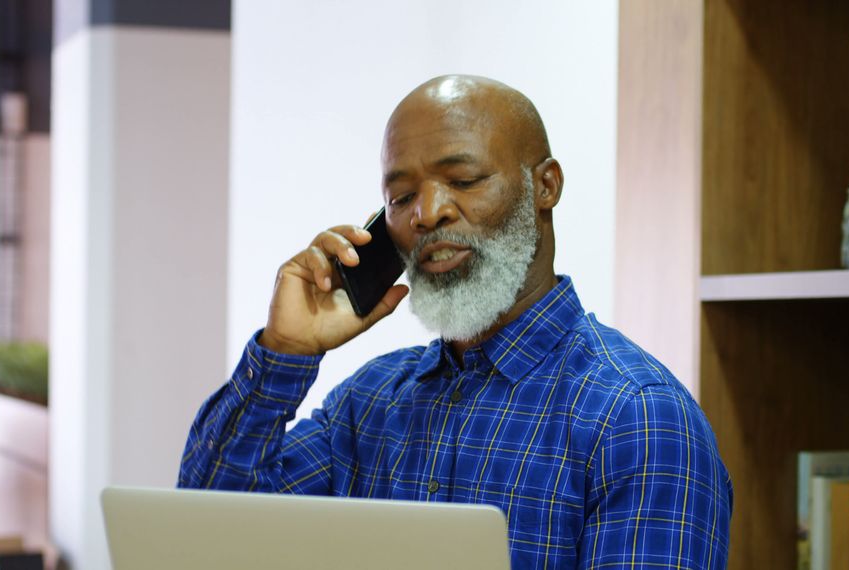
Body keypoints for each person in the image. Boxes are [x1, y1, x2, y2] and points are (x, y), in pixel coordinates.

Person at [179, 75, 732, 569]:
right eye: (400, 196)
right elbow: (201, 544)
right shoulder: (368, 404)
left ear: (546, 187)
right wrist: (285, 352)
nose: (427, 212)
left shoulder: (638, 419)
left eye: (463, 180)